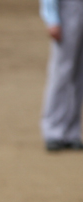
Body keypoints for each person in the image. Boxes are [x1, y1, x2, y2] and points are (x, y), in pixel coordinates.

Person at [40, 0, 83, 151]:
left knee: (79, 76)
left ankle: (72, 133)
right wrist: (52, 20)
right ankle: (53, 131)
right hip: (66, 11)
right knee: (61, 74)